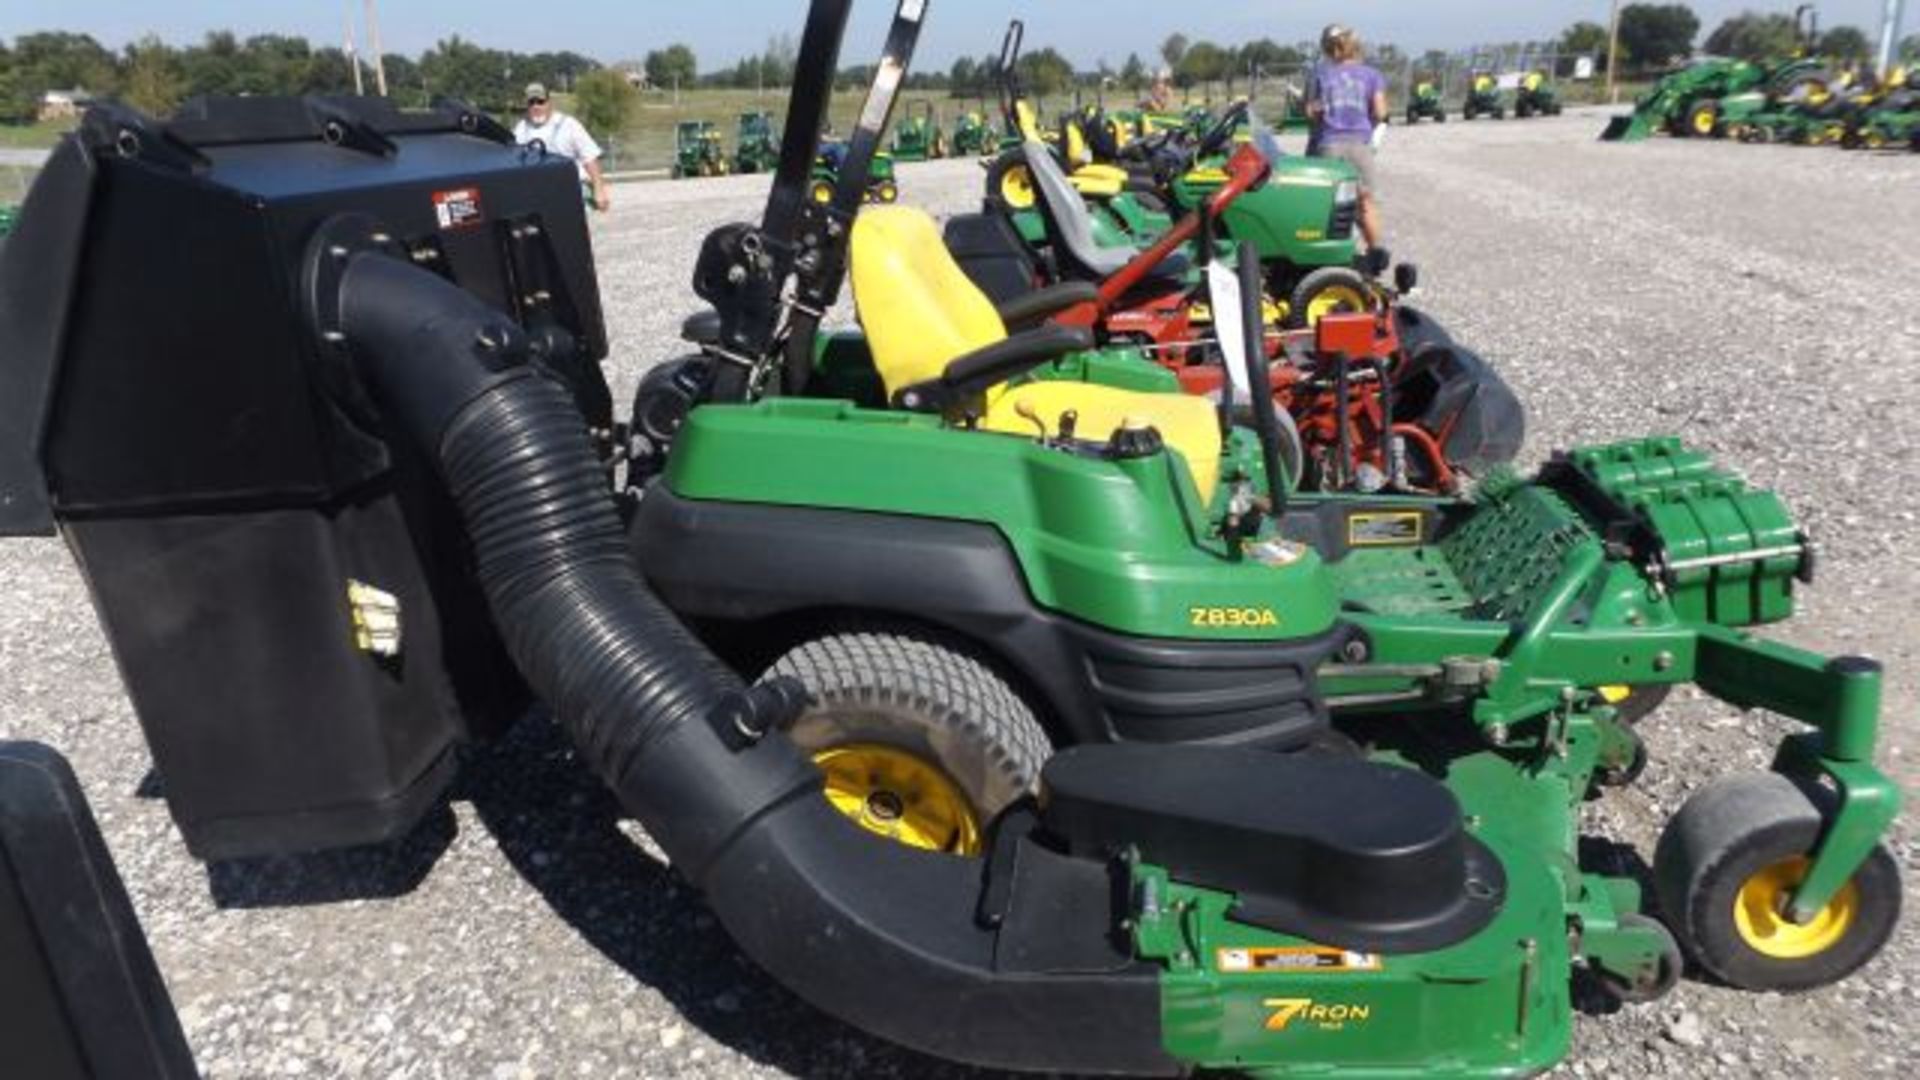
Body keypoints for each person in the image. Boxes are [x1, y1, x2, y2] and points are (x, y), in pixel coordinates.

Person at [1304, 26, 1387, 251]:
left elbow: (1311, 113)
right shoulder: (1372, 75)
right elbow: (1380, 113)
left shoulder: (1319, 75)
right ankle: (1376, 255)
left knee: (1328, 205)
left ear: (1326, 48)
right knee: (1365, 202)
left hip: (1328, 144)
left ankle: (1329, 255)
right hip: (1360, 146)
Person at [513, 82, 610, 213]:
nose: (536, 106)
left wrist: (599, 190)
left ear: (549, 103)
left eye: (540, 102)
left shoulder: (569, 125)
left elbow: (589, 157)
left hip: (573, 189)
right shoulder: (521, 128)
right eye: (531, 102)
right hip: (537, 193)